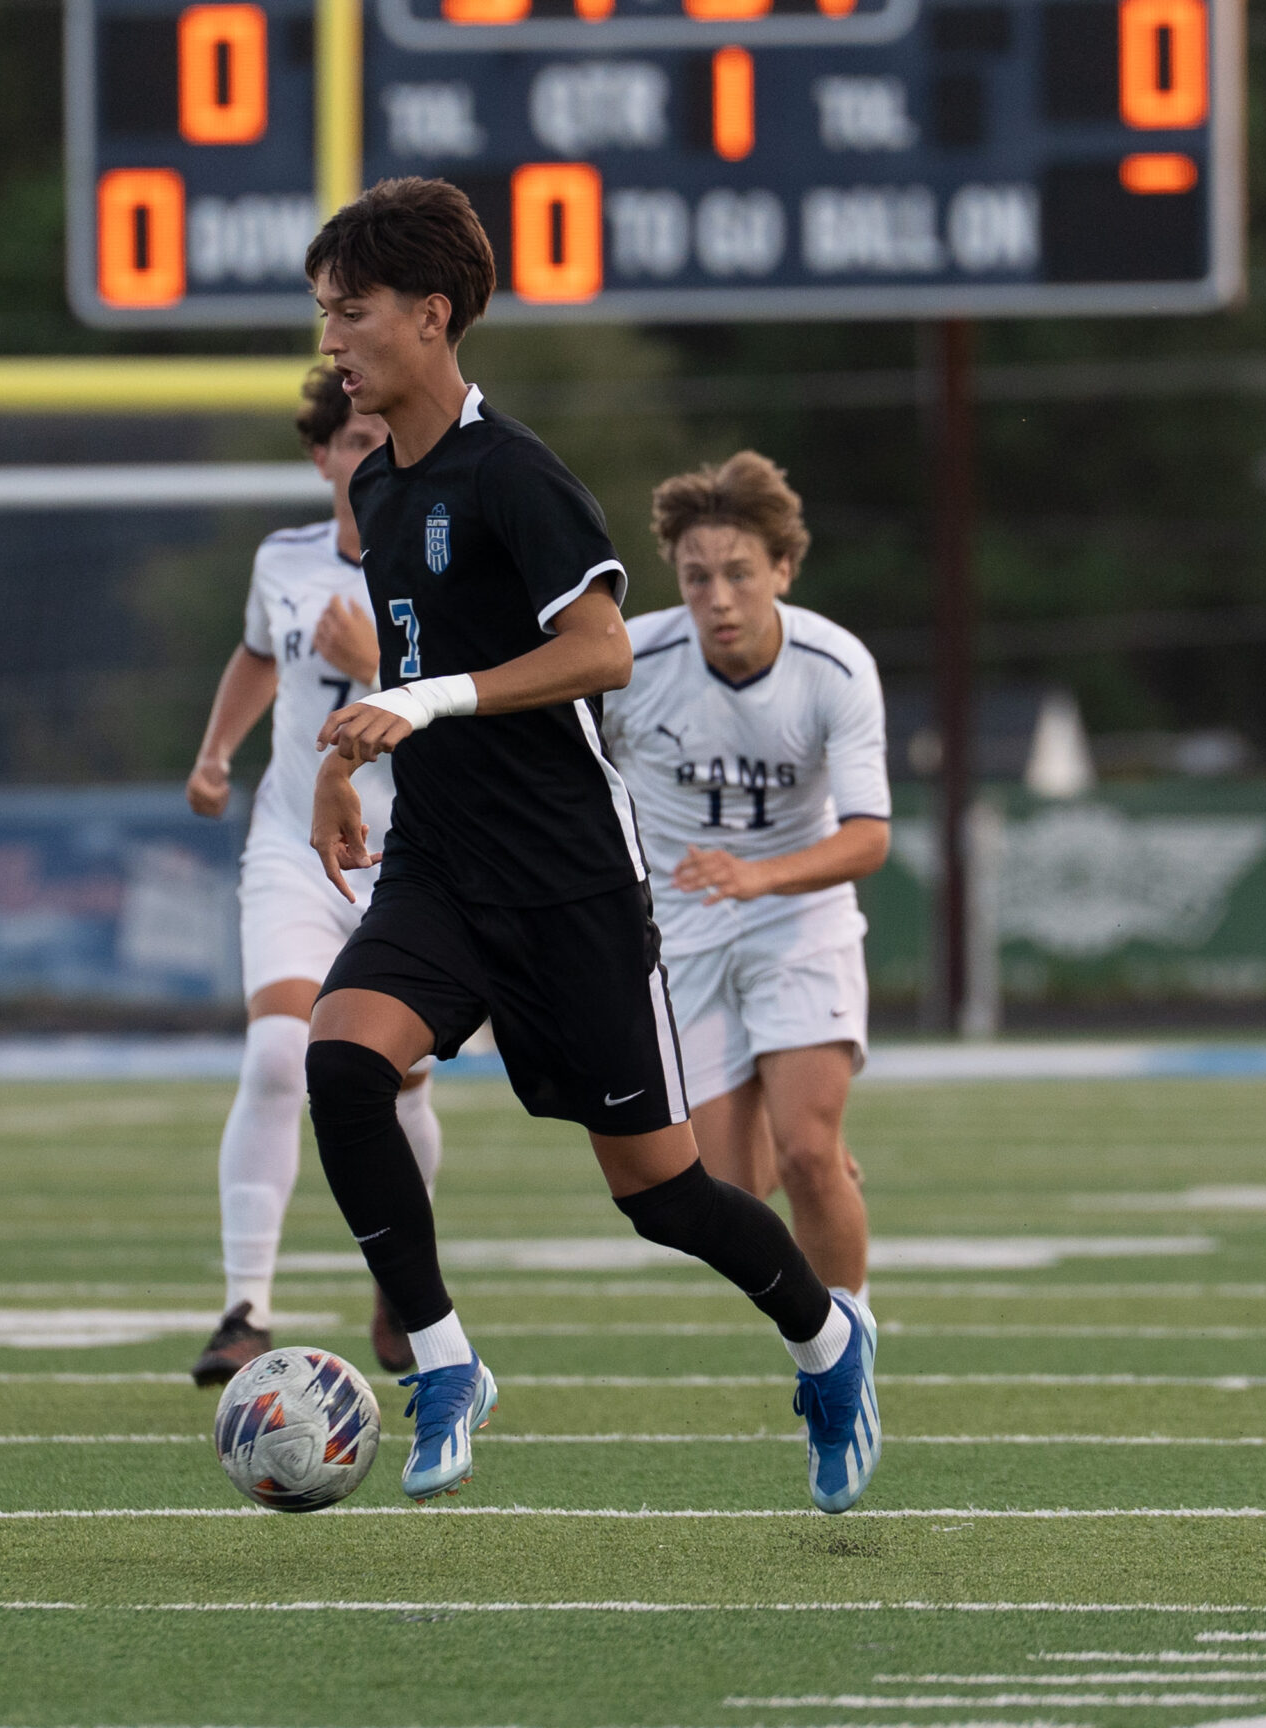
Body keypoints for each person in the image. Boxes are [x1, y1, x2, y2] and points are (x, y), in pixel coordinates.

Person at [299, 178, 878, 1512]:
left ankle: (825, 1339)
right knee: (339, 1063)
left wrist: (426, 702)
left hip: (569, 883)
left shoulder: (517, 473)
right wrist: (345, 752)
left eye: (351, 311)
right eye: (324, 313)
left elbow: (602, 650)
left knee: (665, 1196)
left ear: (431, 315)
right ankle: (444, 1362)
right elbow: (413, 667)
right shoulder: (378, 485)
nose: (330, 340)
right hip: (439, 865)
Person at [184, 366, 444, 1387]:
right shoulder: (283, 558)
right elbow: (258, 655)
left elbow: (473, 703)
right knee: (275, 1057)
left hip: (410, 857)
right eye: (353, 440)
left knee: (396, 1085)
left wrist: (379, 662)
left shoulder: (438, 559)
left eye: (384, 437)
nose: (370, 455)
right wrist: (215, 753)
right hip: (295, 847)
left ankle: (402, 1281)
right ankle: (244, 1309)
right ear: (321, 454)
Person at [599, 452, 887, 1308]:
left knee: (807, 1154)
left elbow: (868, 837)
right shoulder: (628, 660)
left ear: (783, 570)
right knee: (726, 1196)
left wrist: (761, 878)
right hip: (680, 935)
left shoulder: (835, 666)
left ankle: (847, 1350)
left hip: (799, 922)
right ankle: (811, 1160)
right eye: (697, 577)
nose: (718, 598)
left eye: (739, 573)